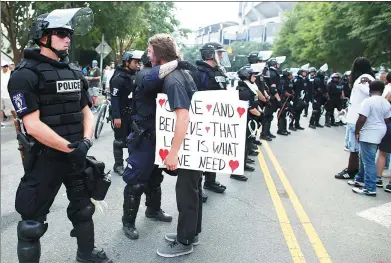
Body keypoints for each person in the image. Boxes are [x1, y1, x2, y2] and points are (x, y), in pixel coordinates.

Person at [7, 8, 112, 263]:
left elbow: (86, 111)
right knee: (31, 224)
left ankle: (86, 255)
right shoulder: (24, 75)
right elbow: (31, 125)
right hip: (46, 159)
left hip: (76, 154)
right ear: (43, 37)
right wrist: (69, 147)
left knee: (84, 209)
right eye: (62, 33)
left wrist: (85, 142)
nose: (68, 39)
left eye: (69, 34)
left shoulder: (75, 73)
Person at [145, 33, 202, 258]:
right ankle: (192, 232)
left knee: (186, 192)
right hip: (194, 143)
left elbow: (183, 116)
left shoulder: (173, 80)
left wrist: (173, 152)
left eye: (150, 52)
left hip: (187, 145)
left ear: (159, 54)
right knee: (193, 189)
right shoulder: (182, 74)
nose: (148, 56)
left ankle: (184, 240)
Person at [121, 50, 175, 240]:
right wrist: (177, 63)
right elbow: (151, 78)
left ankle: (153, 210)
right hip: (143, 137)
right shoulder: (144, 74)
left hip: (159, 136)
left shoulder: (164, 75)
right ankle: (127, 222)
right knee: (136, 182)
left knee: (154, 177)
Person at [187, 42, 230, 191]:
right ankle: (197, 188)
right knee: (201, 152)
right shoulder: (198, 73)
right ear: (210, 54)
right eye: (219, 53)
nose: (221, 56)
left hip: (217, 118)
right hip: (202, 119)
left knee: (213, 151)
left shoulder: (220, 71)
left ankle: (210, 181)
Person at [335, 57, 375, 180]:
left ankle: (352, 171)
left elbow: (372, 93)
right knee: (354, 147)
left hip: (357, 119)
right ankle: (354, 170)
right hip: (355, 117)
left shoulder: (365, 79)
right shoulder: (365, 78)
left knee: (354, 148)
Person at [350, 80, 391, 196]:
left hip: (369, 133)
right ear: (382, 90)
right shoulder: (386, 103)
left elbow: (362, 118)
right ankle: (366, 183)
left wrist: (357, 132)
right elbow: (387, 118)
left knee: (368, 162)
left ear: (370, 90)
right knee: (369, 159)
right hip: (380, 131)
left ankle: (370, 188)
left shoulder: (368, 101)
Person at [110, 50, 143, 175]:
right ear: (127, 62)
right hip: (121, 114)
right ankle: (118, 165)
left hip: (133, 114)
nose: (138, 64)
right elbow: (114, 98)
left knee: (133, 140)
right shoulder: (118, 78)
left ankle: (131, 164)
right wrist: (116, 117)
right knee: (119, 140)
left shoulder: (135, 75)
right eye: (136, 62)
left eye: (139, 62)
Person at [262, 58, 283, 140]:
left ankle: (267, 132)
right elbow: (273, 89)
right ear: (274, 64)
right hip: (271, 97)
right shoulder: (272, 73)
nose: (279, 65)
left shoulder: (271, 72)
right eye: (277, 63)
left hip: (272, 96)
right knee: (267, 116)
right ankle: (264, 133)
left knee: (269, 116)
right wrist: (279, 100)